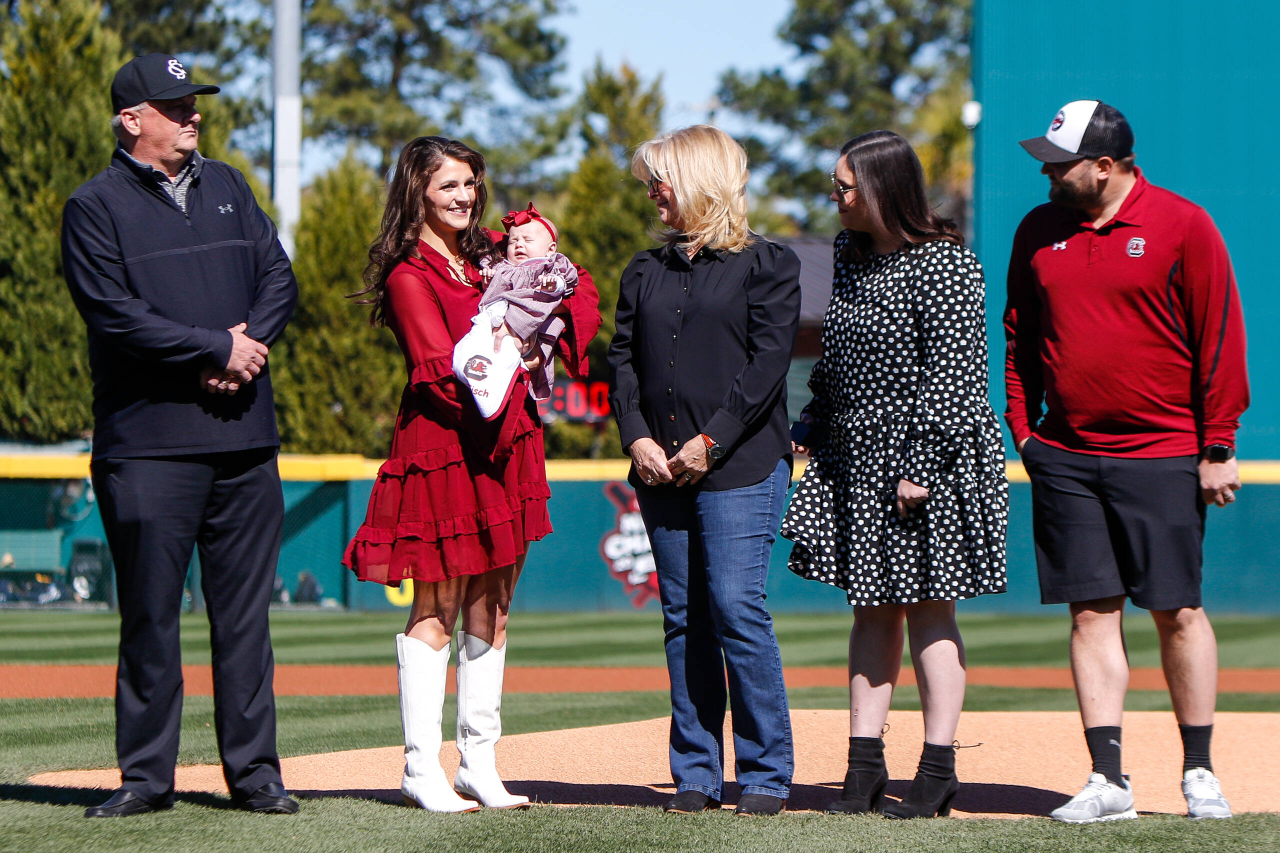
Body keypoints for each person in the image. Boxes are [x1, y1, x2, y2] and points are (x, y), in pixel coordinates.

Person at [61, 54, 299, 818]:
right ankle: (145, 777)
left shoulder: (229, 184)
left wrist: (248, 346)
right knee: (150, 617)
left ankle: (257, 773)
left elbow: (278, 278)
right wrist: (214, 348)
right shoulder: (93, 206)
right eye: (174, 105)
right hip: (148, 446)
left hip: (243, 440)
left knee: (245, 622)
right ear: (131, 119)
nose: (192, 114)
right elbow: (113, 313)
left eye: (194, 102)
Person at [1005, 101, 1248, 822]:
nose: (1047, 174)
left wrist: (1219, 444)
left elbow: (1219, 336)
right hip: (1068, 457)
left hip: (1165, 452)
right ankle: (1107, 778)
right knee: (1090, 613)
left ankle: (1199, 769)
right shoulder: (1038, 229)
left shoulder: (1183, 224)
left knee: (1177, 611)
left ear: (1106, 167)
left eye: (1060, 163)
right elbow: (1019, 336)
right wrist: (1026, 433)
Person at [344, 136, 600, 812]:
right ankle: (420, 767)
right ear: (417, 190)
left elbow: (571, 283)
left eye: (470, 184)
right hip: (445, 447)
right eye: (449, 185)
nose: (464, 196)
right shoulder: (409, 272)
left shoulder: (487, 255)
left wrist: (556, 279)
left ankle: (479, 762)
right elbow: (433, 370)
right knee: (438, 606)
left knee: (495, 604)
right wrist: (506, 371)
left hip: (503, 446)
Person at [781, 131, 1009, 819]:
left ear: (885, 187)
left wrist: (920, 465)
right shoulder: (850, 257)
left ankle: (937, 771)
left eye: (846, 184)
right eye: (834, 183)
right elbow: (837, 361)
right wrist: (810, 421)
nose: (836, 196)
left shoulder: (946, 264)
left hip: (924, 456)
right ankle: (863, 767)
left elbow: (958, 375)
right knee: (870, 609)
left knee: (930, 608)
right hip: (855, 452)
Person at [608, 125, 801, 817]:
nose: (652, 192)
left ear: (696, 179)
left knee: (735, 608)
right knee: (684, 618)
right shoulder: (644, 269)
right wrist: (636, 437)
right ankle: (696, 769)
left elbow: (767, 367)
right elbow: (621, 363)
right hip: (660, 470)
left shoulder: (768, 263)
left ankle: (766, 772)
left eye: (660, 178)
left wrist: (709, 441)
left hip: (740, 466)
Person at [452, 203, 577, 417]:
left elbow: (567, 281)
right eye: (513, 241)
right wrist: (488, 279)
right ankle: (463, 360)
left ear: (551, 249)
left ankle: (493, 389)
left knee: (513, 349)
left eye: (528, 240)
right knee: (480, 328)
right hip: (496, 316)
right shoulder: (504, 266)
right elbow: (491, 290)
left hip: (533, 324)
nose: (519, 245)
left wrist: (554, 283)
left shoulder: (549, 266)